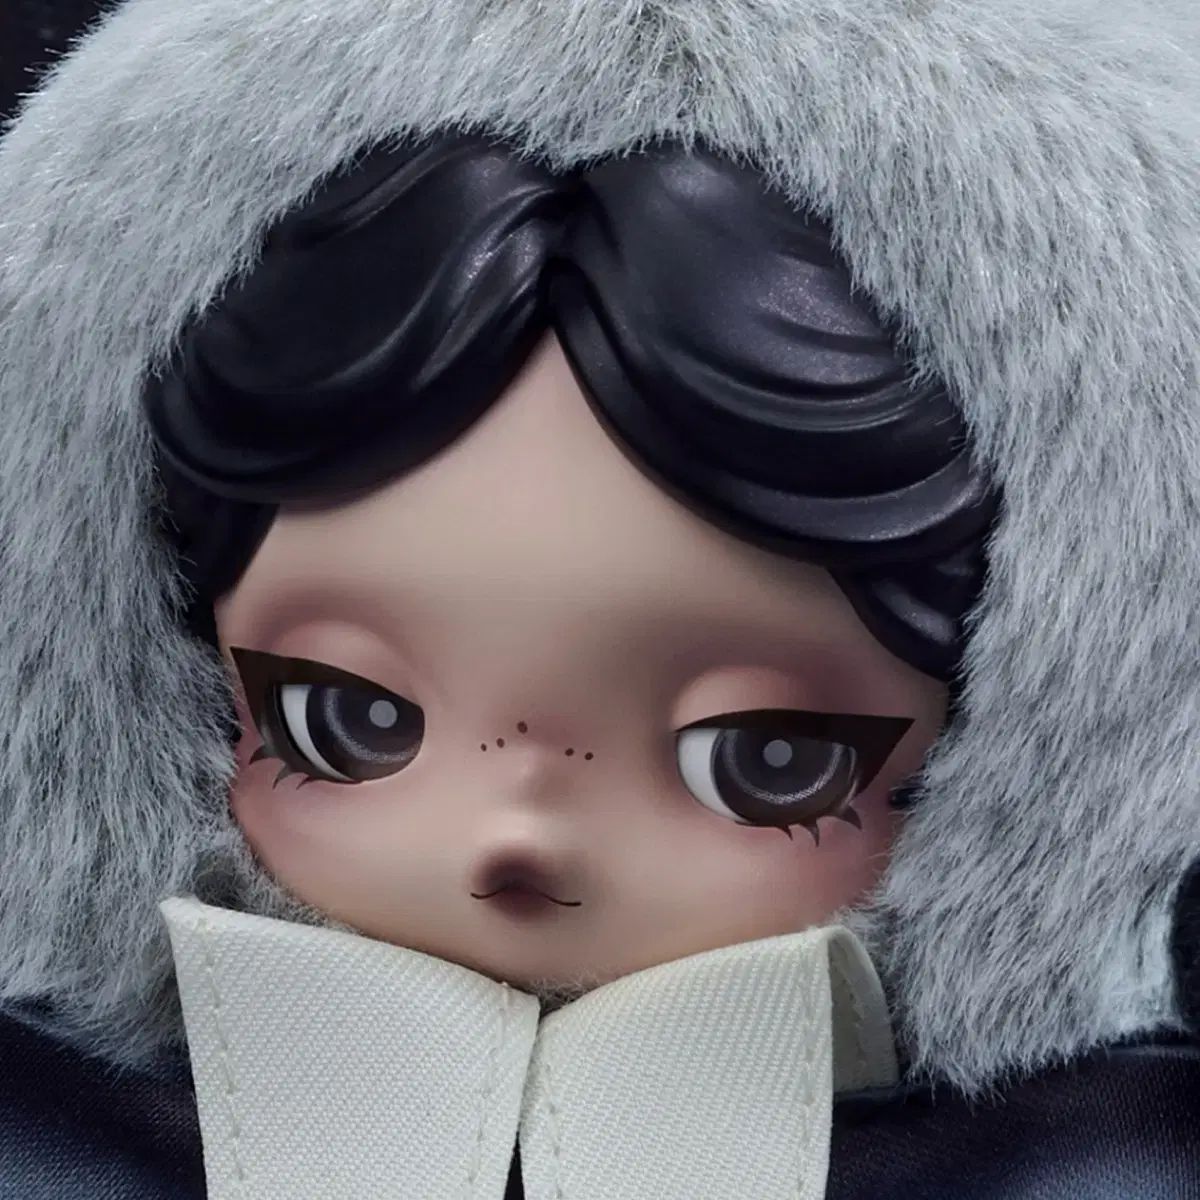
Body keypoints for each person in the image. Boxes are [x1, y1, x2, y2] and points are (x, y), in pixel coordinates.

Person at [0, 2, 1197, 1198]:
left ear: (1031, 762)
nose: (515, 839)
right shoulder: (59, 1137)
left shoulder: (1084, 1162)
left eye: (768, 760)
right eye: (346, 720)